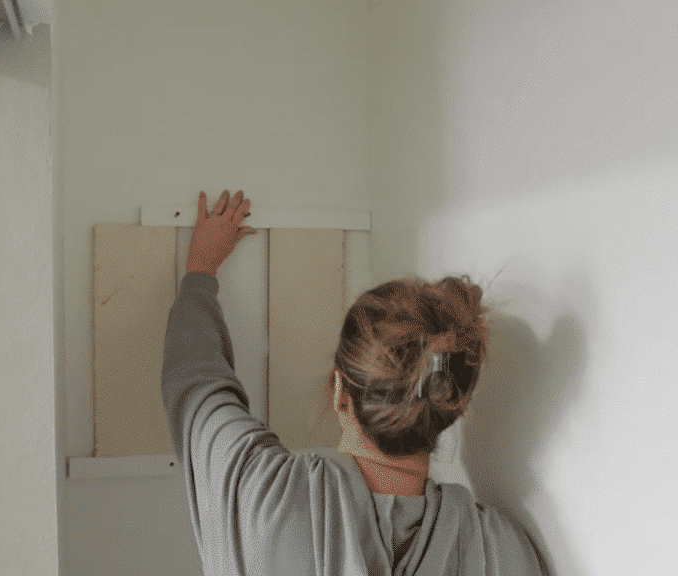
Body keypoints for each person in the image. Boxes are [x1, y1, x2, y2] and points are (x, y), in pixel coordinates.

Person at [161, 190, 547, 575]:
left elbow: (197, 381)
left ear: (340, 393)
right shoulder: (502, 552)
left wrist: (200, 271)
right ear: (451, 406)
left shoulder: (261, 495)